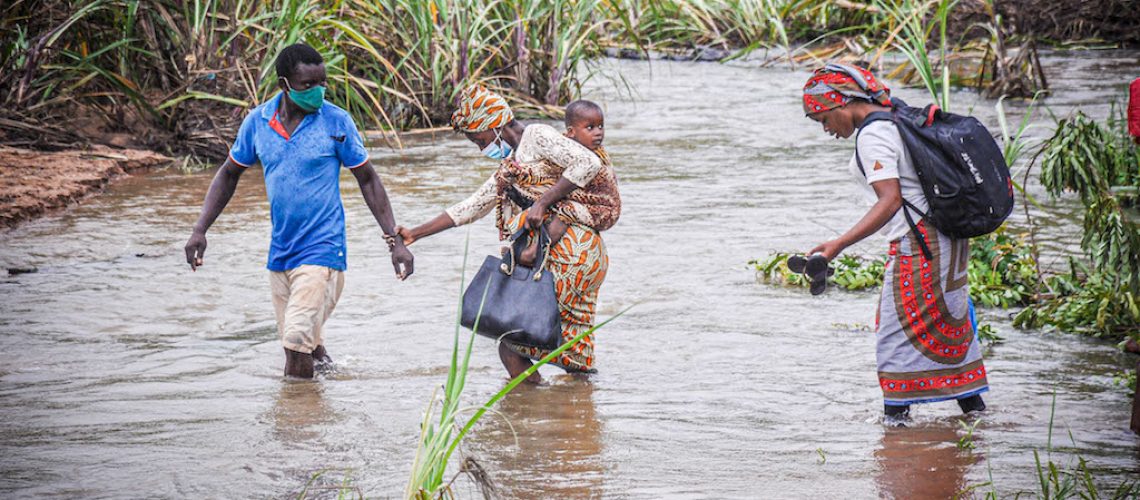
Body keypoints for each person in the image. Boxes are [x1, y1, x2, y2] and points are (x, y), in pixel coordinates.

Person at [183, 43, 413, 379]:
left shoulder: (336, 122)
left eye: (323, 84)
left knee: (294, 343)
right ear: (284, 85)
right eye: (308, 85)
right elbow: (228, 174)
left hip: (323, 252)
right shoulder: (258, 123)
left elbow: (368, 180)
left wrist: (395, 241)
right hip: (281, 254)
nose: (318, 92)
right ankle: (331, 392)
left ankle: (297, 427)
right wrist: (200, 229)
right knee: (306, 344)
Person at [801, 63, 988, 422]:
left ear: (840, 103)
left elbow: (891, 200)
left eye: (822, 118)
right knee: (951, 329)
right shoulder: (895, 118)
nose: (826, 129)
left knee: (894, 335)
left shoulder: (873, 134)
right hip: (945, 240)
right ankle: (977, 421)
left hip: (920, 243)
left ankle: (896, 427)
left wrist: (838, 244)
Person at [396, 85, 617, 383]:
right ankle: (574, 412)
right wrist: (415, 233)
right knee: (571, 345)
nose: (479, 147)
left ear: (494, 124)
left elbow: (587, 163)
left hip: (572, 253)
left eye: (479, 139)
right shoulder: (510, 166)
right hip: (578, 254)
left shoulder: (537, 136)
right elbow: (473, 206)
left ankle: (536, 411)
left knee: (512, 345)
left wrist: (541, 202)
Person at [518, 99, 621, 263]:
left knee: (566, 211)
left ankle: (536, 251)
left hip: (603, 210)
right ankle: (525, 241)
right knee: (553, 201)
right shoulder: (568, 148)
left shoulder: (595, 156)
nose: (598, 132)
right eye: (590, 127)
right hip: (589, 200)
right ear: (571, 132)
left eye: (601, 126)